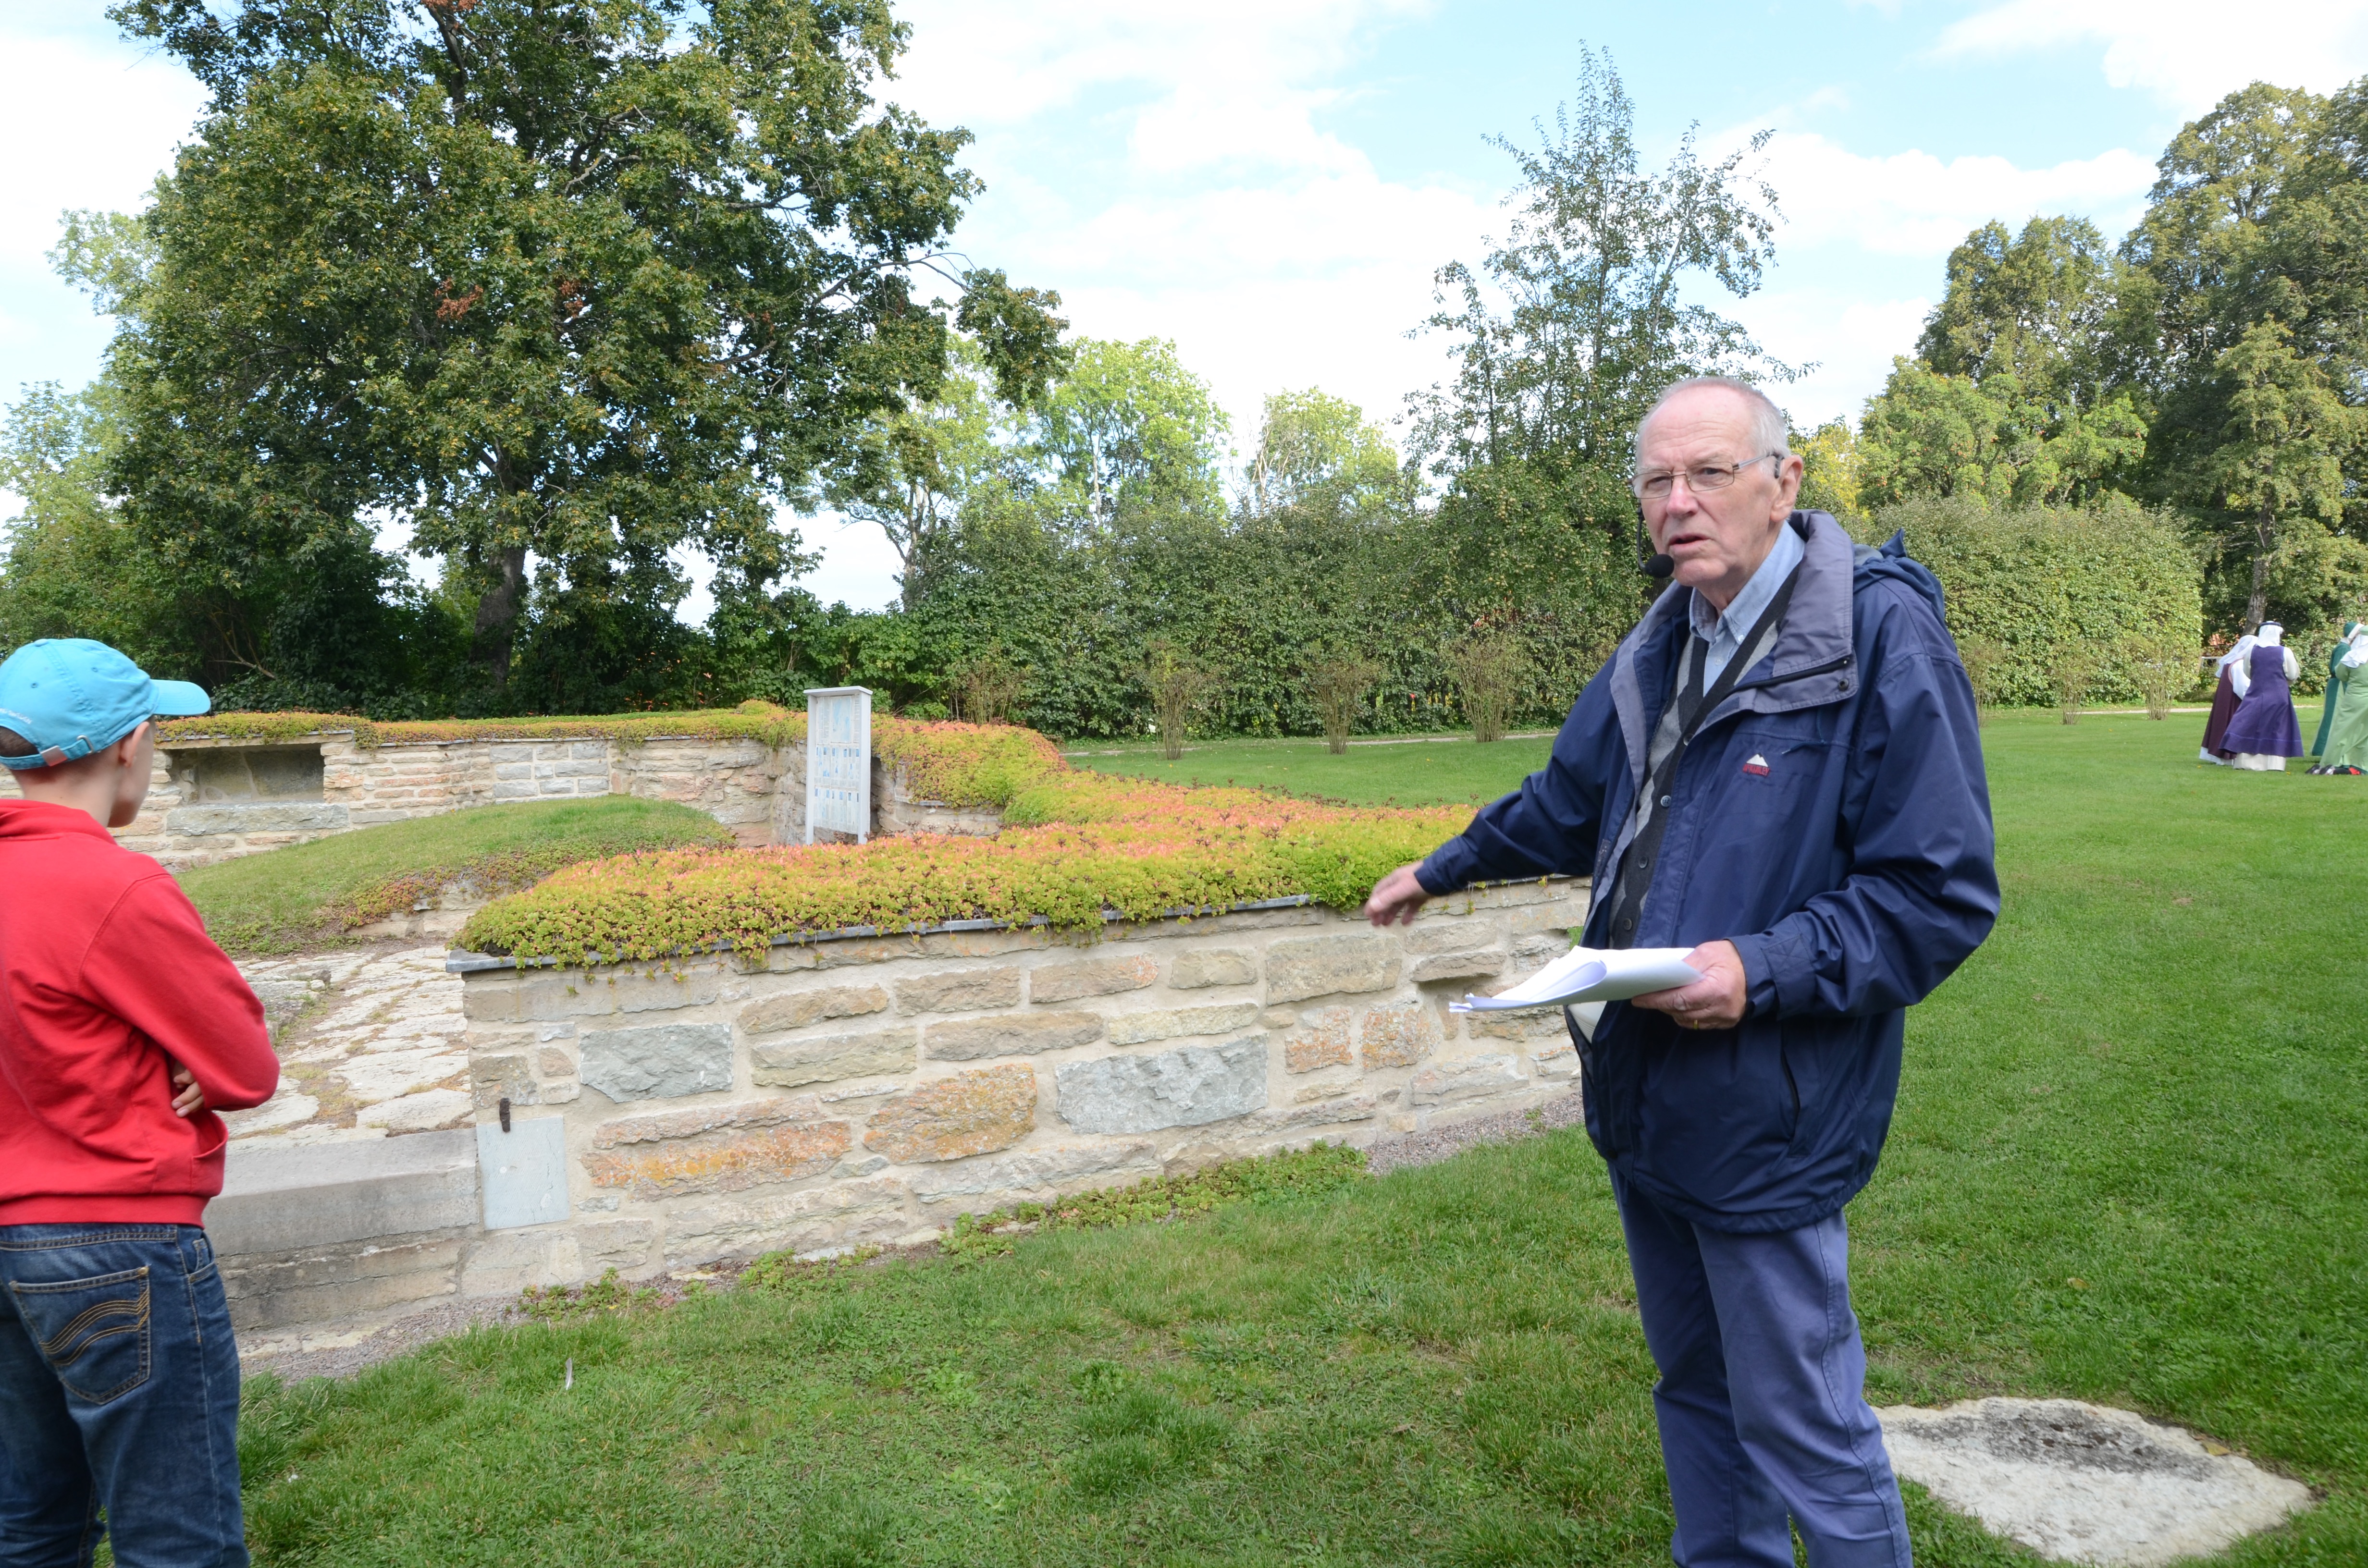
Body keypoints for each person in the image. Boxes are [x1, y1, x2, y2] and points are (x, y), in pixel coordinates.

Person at [1367, 377, 1997, 1568]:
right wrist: (1440, 868)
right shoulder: (1664, 639)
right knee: (1696, 1388)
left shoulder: (1877, 636)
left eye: (1709, 472)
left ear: (1783, 481)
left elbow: (1938, 892)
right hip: (1646, 1090)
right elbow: (1568, 801)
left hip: (1770, 1107)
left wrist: (1758, 970)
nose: (1678, 502)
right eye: (1657, 480)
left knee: (1804, 1423)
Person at [0, 638, 280, 1568]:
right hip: (117, 1244)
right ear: (129, 744)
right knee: (175, 1534)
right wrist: (194, 1061)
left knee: (30, 1523)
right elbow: (244, 1063)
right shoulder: (113, 884)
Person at [2218, 621, 2303, 771]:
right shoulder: (2285, 652)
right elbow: (2292, 674)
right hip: (2278, 694)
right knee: (2276, 727)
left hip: (2256, 692)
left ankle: (2246, 763)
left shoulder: (2252, 651)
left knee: (2250, 724)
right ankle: (2273, 764)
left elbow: (2248, 672)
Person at [2316, 621, 2368, 774]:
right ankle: (2361, 763)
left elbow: (2341, 675)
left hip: (2354, 698)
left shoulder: (2352, 656)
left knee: (2343, 730)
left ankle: (2336, 760)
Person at [2199, 633, 2256, 764]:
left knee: (2222, 726)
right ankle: (2229, 757)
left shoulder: (2230, 662)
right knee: (2231, 725)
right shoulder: (2239, 664)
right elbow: (2242, 688)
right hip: (2233, 703)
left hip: (2225, 701)